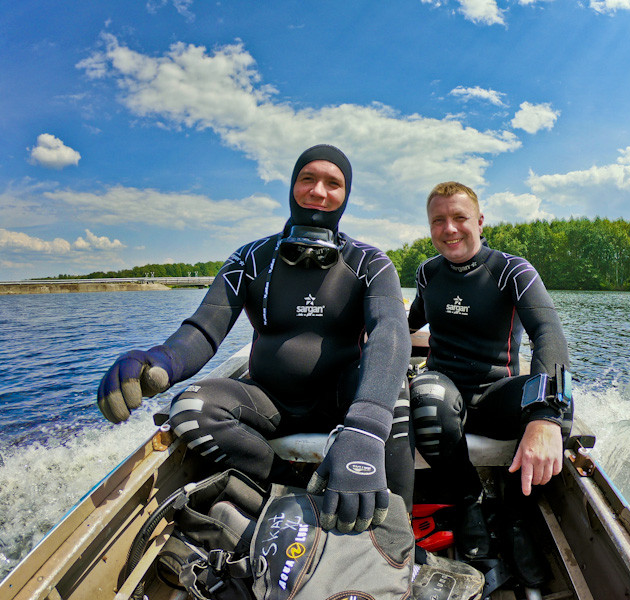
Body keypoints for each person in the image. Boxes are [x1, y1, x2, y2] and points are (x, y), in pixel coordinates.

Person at [97, 144, 414, 535]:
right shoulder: (250, 259)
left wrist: (366, 428)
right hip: (270, 400)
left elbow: (391, 332)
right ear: (292, 186)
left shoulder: (369, 262)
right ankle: (293, 491)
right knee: (189, 408)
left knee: (395, 392)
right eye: (308, 179)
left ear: (346, 196)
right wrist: (158, 360)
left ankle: (398, 534)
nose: (319, 191)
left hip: (342, 398)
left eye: (334, 183)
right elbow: (203, 329)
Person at [407, 181, 573, 586]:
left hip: (497, 392)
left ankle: (516, 516)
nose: (450, 229)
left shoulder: (511, 271)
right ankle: (469, 502)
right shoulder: (428, 273)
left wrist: (545, 418)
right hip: (444, 393)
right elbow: (407, 325)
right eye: (439, 221)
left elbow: (549, 333)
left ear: (479, 222)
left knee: (559, 406)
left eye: (460, 218)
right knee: (426, 398)